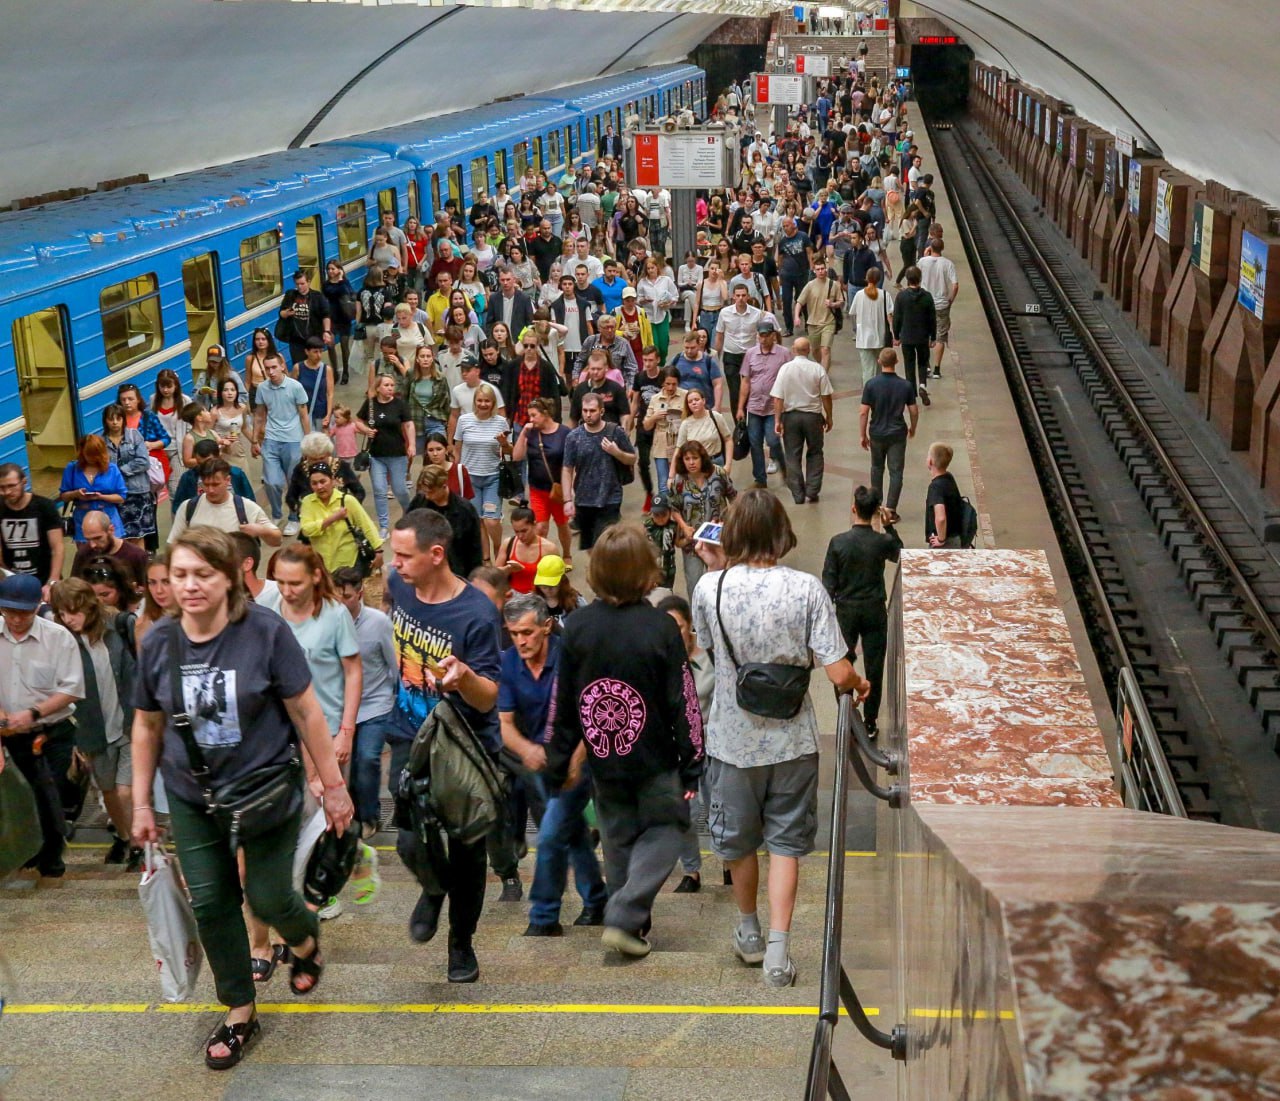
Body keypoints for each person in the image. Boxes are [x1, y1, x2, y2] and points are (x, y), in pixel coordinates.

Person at [131, 527, 352, 1069]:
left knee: (269, 898)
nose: (189, 585)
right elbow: (146, 725)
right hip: (193, 796)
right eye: (180, 575)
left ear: (230, 577)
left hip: (265, 789)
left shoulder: (265, 632)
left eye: (203, 574)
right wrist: (141, 803)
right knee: (211, 905)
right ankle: (239, 1010)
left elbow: (306, 711)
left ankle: (304, 941)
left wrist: (334, 787)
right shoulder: (159, 642)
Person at [689, 490, 869, 988]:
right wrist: (859, 684)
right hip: (793, 743)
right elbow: (838, 672)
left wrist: (718, 571)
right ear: (782, 532)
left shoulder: (709, 588)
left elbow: (706, 647)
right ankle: (777, 952)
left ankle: (747, 929)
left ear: (733, 533)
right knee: (786, 845)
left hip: (731, 742)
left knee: (739, 842)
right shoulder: (807, 589)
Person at [544, 524, 704, 957]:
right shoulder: (660, 628)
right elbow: (684, 700)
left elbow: (563, 700)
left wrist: (557, 758)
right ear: (644, 570)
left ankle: (630, 926)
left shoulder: (577, 627)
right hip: (654, 758)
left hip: (603, 757)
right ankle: (625, 913)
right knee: (668, 828)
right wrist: (693, 759)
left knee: (616, 838)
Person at [386, 510, 502, 984]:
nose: (395, 563)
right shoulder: (397, 587)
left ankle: (461, 944)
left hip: (463, 746)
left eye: (404, 555)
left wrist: (464, 677)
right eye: (393, 554)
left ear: (436, 554)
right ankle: (433, 888)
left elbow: (489, 696)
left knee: (467, 851)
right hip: (409, 734)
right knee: (409, 840)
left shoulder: (477, 614)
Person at [258, 544, 366, 919]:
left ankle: (320, 889)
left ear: (315, 577)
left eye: (295, 583)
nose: (287, 591)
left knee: (324, 817)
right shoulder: (268, 610)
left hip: (326, 730)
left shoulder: (335, 614)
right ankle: (289, 892)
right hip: (279, 733)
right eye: (281, 582)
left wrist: (347, 730)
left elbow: (353, 671)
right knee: (289, 816)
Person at [498, 594, 608, 937]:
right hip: (538, 761)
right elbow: (504, 723)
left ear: (547, 626)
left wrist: (576, 762)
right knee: (571, 832)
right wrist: (527, 750)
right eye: (514, 633)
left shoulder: (570, 658)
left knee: (548, 836)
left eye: (527, 632)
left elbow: (592, 716)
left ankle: (544, 915)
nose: (521, 641)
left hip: (576, 757)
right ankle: (596, 900)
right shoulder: (509, 663)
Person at [50, 579, 140, 868]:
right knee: (109, 791)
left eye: (74, 611)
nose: (69, 619)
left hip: (129, 723)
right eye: (62, 613)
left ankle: (138, 845)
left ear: (89, 606)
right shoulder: (62, 641)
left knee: (125, 790)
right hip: (93, 729)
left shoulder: (118, 626)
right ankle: (124, 837)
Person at [0, 573, 85, 879]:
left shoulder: (58, 638)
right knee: (18, 799)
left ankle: (51, 856)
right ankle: (25, 852)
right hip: (8, 735)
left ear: (37, 607)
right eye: (8, 612)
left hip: (52, 732)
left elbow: (72, 689)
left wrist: (33, 713)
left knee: (51, 795)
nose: (15, 620)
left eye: (23, 613)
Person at [822, 485, 902, 738]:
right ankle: (870, 721)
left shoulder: (838, 543)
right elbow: (900, 553)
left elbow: (828, 584)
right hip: (874, 609)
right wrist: (888, 526)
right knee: (875, 666)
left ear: (853, 509)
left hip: (846, 611)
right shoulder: (881, 542)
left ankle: (847, 715)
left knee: (843, 663)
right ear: (876, 512)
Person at [332, 567, 399, 860]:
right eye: (337, 596)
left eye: (347, 596)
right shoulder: (327, 622)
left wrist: (397, 698)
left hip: (375, 703)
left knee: (368, 758)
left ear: (359, 593)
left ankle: (369, 815)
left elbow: (393, 663)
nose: (341, 602)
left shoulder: (378, 623)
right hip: (341, 706)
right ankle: (352, 814)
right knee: (345, 766)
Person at [658, 593, 715, 893]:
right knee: (686, 812)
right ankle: (691, 870)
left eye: (678, 626)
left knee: (719, 808)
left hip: (712, 743)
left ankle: (730, 862)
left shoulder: (711, 658)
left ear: (690, 625)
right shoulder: (658, 661)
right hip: (679, 747)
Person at [562, 393, 637, 552]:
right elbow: (567, 469)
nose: (588, 415)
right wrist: (567, 499)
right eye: (585, 410)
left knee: (608, 544)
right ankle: (597, 567)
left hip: (610, 497)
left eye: (592, 410)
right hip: (584, 499)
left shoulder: (615, 432)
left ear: (601, 411)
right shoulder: (573, 437)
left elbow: (632, 459)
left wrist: (616, 452)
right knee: (591, 547)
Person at [252, 353, 311, 537]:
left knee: (293, 482)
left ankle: (294, 517)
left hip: (293, 440)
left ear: (282, 366)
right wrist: (254, 439)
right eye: (267, 368)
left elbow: (304, 416)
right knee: (272, 481)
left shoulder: (295, 387)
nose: (271, 372)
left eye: (274, 367)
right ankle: (277, 514)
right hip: (271, 439)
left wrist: (308, 442)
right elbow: (259, 415)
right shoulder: (262, 388)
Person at [770, 337, 834, 505]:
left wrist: (777, 420)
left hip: (791, 417)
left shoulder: (785, 369)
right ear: (809, 350)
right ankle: (812, 490)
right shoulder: (817, 369)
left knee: (792, 454)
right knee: (815, 452)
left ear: (793, 350)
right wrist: (829, 416)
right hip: (813, 417)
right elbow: (826, 396)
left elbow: (778, 398)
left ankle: (797, 493)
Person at [669, 440, 736, 598]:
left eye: (695, 458)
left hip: (718, 538)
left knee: (722, 582)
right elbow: (673, 507)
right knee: (694, 584)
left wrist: (730, 521)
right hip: (692, 540)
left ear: (702, 458)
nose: (691, 462)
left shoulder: (718, 473)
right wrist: (684, 527)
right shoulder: (679, 481)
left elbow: (734, 497)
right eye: (687, 459)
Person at [453, 383, 511, 562]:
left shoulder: (500, 422)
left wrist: (503, 443)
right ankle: (485, 558)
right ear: (474, 401)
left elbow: (510, 451)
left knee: (491, 520)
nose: (483, 404)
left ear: (493, 403)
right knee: (478, 520)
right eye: (480, 400)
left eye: (487, 401)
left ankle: (498, 548)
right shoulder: (464, 420)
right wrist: (456, 470)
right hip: (470, 478)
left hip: (493, 477)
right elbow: (457, 447)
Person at [512, 398, 572, 564]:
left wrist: (571, 489)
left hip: (558, 489)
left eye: (534, 415)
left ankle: (567, 554)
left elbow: (571, 462)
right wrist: (523, 433)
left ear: (545, 414)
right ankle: (542, 558)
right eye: (529, 416)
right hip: (537, 489)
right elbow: (517, 456)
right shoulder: (531, 433)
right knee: (540, 526)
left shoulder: (564, 433)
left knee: (562, 524)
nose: (531, 419)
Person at [860, 347, 918, 520]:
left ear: (879, 361)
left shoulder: (871, 384)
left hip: (877, 432)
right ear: (896, 362)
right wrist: (913, 427)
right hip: (897, 433)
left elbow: (863, 412)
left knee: (877, 468)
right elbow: (914, 411)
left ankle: (876, 506)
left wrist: (862, 434)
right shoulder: (905, 385)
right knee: (896, 471)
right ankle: (891, 510)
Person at [168, 459, 281, 547]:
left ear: (228, 480)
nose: (210, 490)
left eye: (216, 484)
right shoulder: (188, 507)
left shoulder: (247, 507)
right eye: (206, 485)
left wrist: (261, 530)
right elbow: (173, 543)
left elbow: (276, 541)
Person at [299, 459, 384, 576]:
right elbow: (307, 530)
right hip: (321, 564)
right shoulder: (307, 502)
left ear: (333, 481)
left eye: (323, 481)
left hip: (348, 562)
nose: (319, 487)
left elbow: (366, 525)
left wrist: (378, 551)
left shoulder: (348, 501)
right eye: (314, 483)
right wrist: (333, 518)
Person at [356, 373, 415, 539]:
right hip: (376, 456)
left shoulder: (400, 404)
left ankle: (409, 513)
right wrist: (365, 430)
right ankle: (383, 526)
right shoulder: (370, 405)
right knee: (380, 490)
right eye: (386, 385)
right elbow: (358, 421)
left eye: (392, 385)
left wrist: (411, 444)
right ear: (378, 388)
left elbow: (409, 424)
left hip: (397, 454)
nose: (390, 388)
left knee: (400, 489)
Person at [406, 464, 485, 583]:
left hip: (455, 573)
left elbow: (474, 549)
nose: (427, 496)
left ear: (444, 486)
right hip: (424, 571)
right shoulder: (419, 503)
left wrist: (473, 579)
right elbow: (407, 529)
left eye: (431, 492)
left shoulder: (465, 510)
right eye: (425, 492)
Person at [737, 319, 790, 489]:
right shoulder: (750, 354)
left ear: (773, 335)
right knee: (755, 443)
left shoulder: (784, 354)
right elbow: (745, 381)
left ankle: (785, 469)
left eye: (766, 335)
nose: (763, 339)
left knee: (773, 441)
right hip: (754, 407)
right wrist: (740, 407)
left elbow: (789, 379)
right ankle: (760, 479)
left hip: (773, 408)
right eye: (761, 335)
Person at [0, 463, 65, 599]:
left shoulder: (44, 506)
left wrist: (52, 581)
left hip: (44, 579)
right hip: (13, 581)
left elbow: (57, 547)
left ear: (24, 482)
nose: (7, 492)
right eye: (2, 487)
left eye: (12, 486)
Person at [100, 402, 156, 547]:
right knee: (119, 536)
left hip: (137, 492)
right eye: (111, 419)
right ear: (105, 421)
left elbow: (144, 461)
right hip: (114, 495)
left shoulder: (134, 435)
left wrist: (119, 471)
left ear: (123, 419)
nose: (115, 422)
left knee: (138, 535)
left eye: (118, 418)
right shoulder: (100, 441)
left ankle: (140, 561)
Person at [58, 434, 126, 545]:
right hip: (83, 519)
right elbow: (63, 496)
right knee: (87, 553)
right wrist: (76, 494)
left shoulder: (112, 469)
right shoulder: (72, 468)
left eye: (95, 455)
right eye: (88, 455)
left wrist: (101, 497)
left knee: (111, 551)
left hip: (108, 518)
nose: (92, 458)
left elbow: (121, 497)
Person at [71, 509, 149, 589]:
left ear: (111, 530)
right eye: (88, 539)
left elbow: (146, 589)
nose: (92, 545)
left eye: (97, 538)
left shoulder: (136, 556)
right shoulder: (83, 554)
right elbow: (73, 589)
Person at [891, 264, 937, 400]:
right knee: (923, 361)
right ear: (920, 278)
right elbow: (932, 318)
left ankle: (911, 393)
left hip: (907, 336)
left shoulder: (901, 297)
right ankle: (922, 385)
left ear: (907, 279)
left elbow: (897, 318)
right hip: (922, 336)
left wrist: (896, 335)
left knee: (909, 364)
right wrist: (933, 337)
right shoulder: (927, 297)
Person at [793, 257, 843, 370]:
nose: (821, 271)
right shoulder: (810, 285)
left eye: (822, 268)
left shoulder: (833, 284)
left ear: (826, 269)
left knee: (825, 349)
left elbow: (841, 301)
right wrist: (796, 317)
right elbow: (799, 302)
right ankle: (822, 366)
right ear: (814, 271)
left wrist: (833, 304)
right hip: (813, 323)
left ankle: (823, 374)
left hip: (828, 322)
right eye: (818, 269)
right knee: (815, 350)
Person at [918, 239, 959, 379]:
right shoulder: (948, 264)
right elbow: (955, 285)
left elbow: (916, 278)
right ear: (942, 248)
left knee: (924, 334)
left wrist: (924, 255)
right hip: (942, 305)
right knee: (940, 336)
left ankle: (926, 366)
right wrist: (950, 299)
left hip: (924, 303)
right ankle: (936, 370)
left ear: (930, 247)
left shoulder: (922, 262)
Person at [277, 269, 333, 368]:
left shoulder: (317, 297)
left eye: (302, 284)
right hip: (296, 340)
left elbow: (326, 315)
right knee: (299, 367)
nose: (299, 287)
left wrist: (327, 331)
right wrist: (286, 313)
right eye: (297, 284)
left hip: (313, 338)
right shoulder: (290, 295)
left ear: (308, 282)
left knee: (314, 365)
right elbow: (281, 313)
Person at [496, 507, 558, 595]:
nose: (520, 536)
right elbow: (495, 575)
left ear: (534, 525)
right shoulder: (508, 544)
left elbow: (558, 579)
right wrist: (508, 569)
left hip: (538, 597)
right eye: (516, 531)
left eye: (524, 531)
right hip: (512, 596)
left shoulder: (549, 549)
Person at [850, 267, 894, 385]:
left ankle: (868, 393)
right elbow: (890, 316)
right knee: (880, 370)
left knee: (867, 370)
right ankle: (879, 391)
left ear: (866, 278)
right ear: (879, 279)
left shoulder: (859, 295)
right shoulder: (884, 295)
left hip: (863, 339)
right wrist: (894, 334)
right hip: (880, 337)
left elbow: (853, 313)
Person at [292, 336, 336, 434]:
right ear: (307, 352)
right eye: (315, 352)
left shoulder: (327, 369)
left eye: (321, 351)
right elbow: (292, 392)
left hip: (322, 414)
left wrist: (328, 414)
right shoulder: (298, 368)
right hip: (304, 414)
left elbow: (330, 394)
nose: (319, 355)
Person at [924, 442, 965, 548]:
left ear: (930, 461)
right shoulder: (949, 477)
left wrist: (941, 539)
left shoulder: (935, 487)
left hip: (945, 542)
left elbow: (941, 518)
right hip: (956, 536)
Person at [532, 554, 583, 626]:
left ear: (562, 582)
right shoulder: (532, 602)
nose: (548, 589)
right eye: (544, 586)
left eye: (553, 585)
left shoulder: (576, 601)